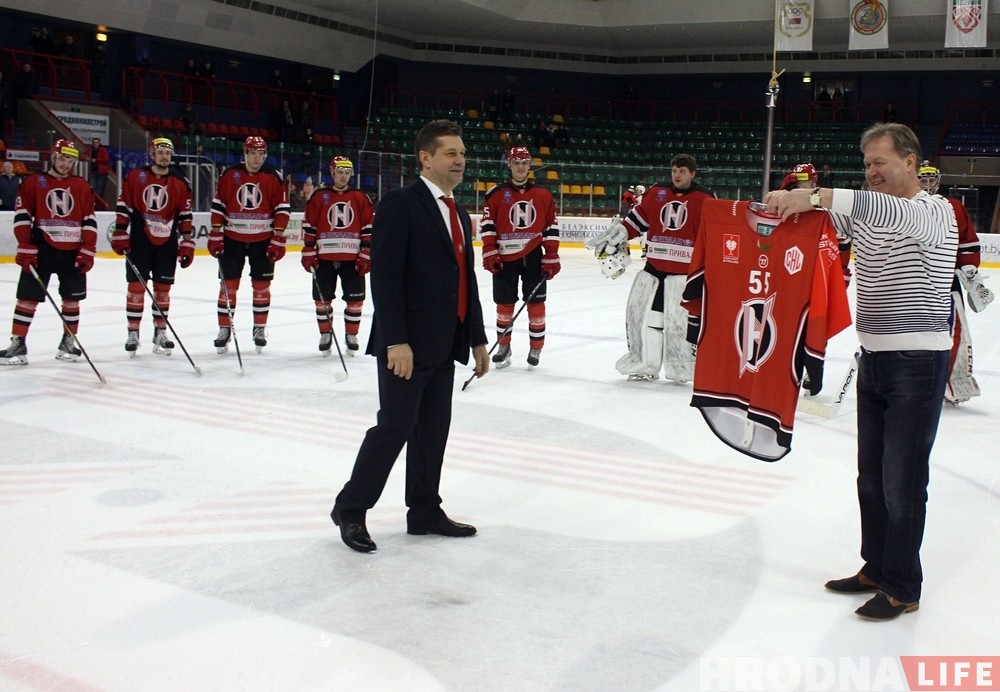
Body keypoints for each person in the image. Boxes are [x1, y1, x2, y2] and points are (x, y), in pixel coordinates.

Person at [764, 122, 958, 621]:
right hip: (873, 358)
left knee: (902, 480)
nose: (871, 171)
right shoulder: (870, 213)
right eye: (867, 163)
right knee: (870, 478)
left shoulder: (934, 211)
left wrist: (816, 195)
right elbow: (825, 226)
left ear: (910, 162)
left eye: (881, 162)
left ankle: (902, 586)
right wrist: (783, 206)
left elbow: (874, 209)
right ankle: (877, 566)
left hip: (918, 363)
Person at [331, 119, 490, 553]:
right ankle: (350, 508)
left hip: (446, 340)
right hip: (407, 344)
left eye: (462, 153)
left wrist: (476, 337)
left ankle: (423, 510)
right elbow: (384, 277)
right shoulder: (401, 204)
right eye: (450, 153)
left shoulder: (459, 213)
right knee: (396, 425)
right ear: (425, 158)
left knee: (433, 430)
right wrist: (395, 341)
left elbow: (465, 279)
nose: (460, 160)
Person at [588, 153, 715, 383]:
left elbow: (713, 236)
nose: (677, 175)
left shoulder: (705, 198)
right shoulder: (657, 192)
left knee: (678, 323)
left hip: (684, 275)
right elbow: (636, 222)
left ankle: (682, 367)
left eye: (682, 171)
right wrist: (618, 236)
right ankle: (646, 363)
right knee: (644, 318)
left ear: (693, 174)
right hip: (654, 270)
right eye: (674, 170)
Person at [0, 140, 97, 366]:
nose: (66, 164)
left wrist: (88, 249)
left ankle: (68, 341)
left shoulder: (82, 186)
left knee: (72, 299)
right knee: (27, 297)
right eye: (62, 158)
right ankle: (18, 342)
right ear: (53, 157)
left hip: (73, 251)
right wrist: (25, 245)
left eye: (71, 160)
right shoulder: (33, 182)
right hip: (42, 248)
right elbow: (22, 216)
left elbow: (89, 220)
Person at [917, 162, 994, 403]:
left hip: (946, 284)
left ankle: (950, 381)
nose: (927, 184)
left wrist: (971, 274)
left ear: (938, 180)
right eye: (923, 179)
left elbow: (967, 243)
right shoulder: (901, 206)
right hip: (911, 285)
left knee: (953, 332)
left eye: (931, 179)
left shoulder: (953, 207)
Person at [110, 137, 195, 356]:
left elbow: (185, 215)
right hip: (140, 241)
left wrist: (187, 241)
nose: (164, 157)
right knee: (136, 288)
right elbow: (124, 206)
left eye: (167, 153)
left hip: (167, 243)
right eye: (160, 152)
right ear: (152, 154)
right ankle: (133, 333)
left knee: (162, 290)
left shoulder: (180, 181)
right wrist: (120, 231)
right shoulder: (135, 177)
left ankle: (160, 332)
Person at [479, 145, 560, 368]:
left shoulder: (543, 195)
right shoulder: (495, 194)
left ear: (530, 165)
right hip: (504, 258)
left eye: (524, 163)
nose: (521, 167)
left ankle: (536, 347)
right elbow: (488, 225)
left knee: (536, 303)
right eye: (516, 162)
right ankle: (504, 346)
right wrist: (490, 251)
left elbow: (551, 226)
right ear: (510, 165)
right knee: (504, 304)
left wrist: (551, 255)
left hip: (533, 256)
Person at [208, 136, 290, 353]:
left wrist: (278, 236)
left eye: (260, 154)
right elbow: (219, 205)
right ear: (245, 153)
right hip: (232, 238)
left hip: (262, 240)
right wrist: (216, 232)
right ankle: (224, 329)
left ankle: (259, 328)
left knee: (261, 286)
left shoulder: (273, 176)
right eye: (252, 153)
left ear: (265, 155)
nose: (256, 158)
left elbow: (282, 209)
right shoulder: (230, 174)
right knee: (228, 286)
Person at [301, 156, 374, 356]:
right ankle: (326, 334)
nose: (343, 176)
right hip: (324, 258)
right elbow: (310, 225)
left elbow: (368, 227)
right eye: (340, 172)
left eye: (347, 172)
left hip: (352, 258)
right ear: (332, 173)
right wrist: (309, 250)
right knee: (322, 300)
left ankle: (351, 335)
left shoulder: (360, 197)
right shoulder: (319, 196)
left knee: (355, 300)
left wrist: (366, 252)